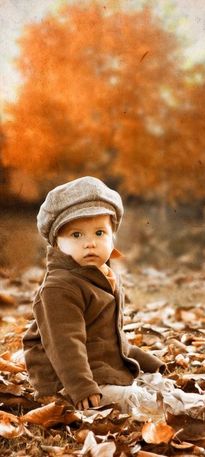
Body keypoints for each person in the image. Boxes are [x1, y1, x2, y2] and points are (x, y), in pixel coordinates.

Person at [23, 176, 165, 412]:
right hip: (67, 382)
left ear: (113, 237)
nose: (90, 243)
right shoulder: (59, 288)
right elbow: (64, 344)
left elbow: (109, 337)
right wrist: (81, 387)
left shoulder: (103, 276)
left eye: (99, 233)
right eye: (76, 235)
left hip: (99, 368)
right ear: (56, 243)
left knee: (155, 384)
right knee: (137, 400)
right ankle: (203, 407)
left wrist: (147, 362)